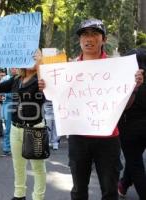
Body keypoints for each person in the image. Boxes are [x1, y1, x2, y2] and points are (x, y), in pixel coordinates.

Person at [38, 18, 142, 200]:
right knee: (79, 190)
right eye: (85, 34)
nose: (89, 38)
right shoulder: (66, 69)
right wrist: (46, 85)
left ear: (104, 39)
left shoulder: (118, 68)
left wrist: (133, 87)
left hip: (109, 138)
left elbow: (126, 106)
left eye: (94, 34)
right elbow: (53, 96)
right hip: (78, 137)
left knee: (110, 191)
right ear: (79, 40)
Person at [0, 62, 46, 200]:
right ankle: (19, 195)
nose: (30, 61)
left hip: (34, 128)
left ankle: (38, 197)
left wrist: (40, 63)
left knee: (38, 167)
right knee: (18, 165)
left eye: (33, 58)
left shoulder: (41, 78)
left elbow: (45, 91)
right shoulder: (16, 79)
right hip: (16, 127)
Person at [117, 48, 146, 199]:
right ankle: (123, 184)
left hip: (129, 130)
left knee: (135, 163)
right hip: (134, 130)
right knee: (134, 159)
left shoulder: (125, 82)